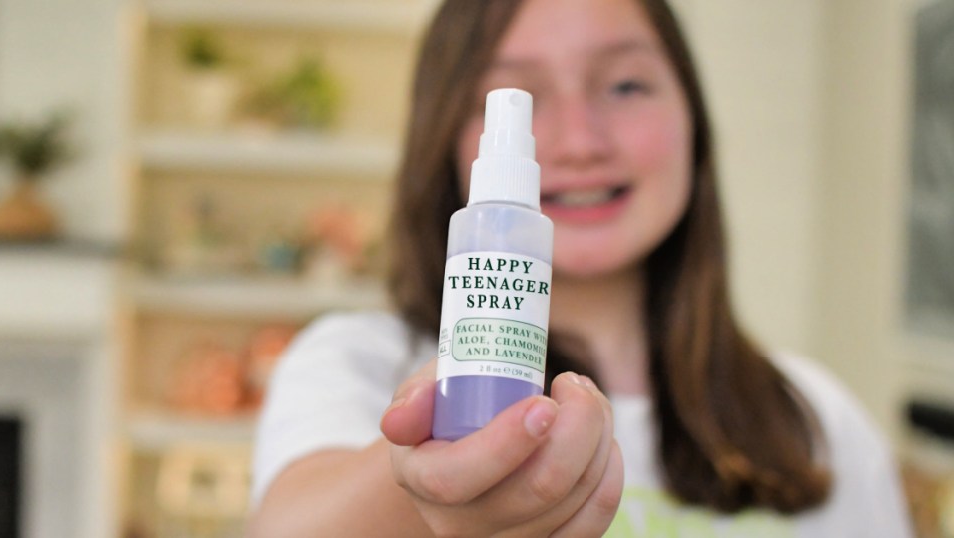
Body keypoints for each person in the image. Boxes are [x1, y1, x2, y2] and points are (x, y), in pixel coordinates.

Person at [246, 0, 914, 536]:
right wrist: (429, 475)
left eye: (625, 85)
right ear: (442, 139)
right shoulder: (357, 364)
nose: (578, 142)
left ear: (694, 122)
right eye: (513, 97)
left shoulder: (817, 419)